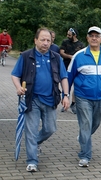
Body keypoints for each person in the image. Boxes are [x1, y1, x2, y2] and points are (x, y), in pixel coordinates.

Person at [11, 28, 69, 172]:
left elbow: (63, 77)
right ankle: (32, 161)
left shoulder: (56, 57)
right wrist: (18, 87)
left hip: (51, 99)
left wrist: (66, 95)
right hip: (32, 99)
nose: (46, 43)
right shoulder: (25, 56)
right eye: (42, 39)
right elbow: (15, 75)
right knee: (30, 130)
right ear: (35, 40)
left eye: (48, 40)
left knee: (50, 129)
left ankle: (34, 143)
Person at [67, 26, 101, 167]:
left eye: (97, 36)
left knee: (94, 124)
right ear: (87, 38)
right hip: (83, 96)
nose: (94, 38)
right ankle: (85, 156)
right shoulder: (79, 56)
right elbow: (69, 76)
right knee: (86, 124)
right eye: (91, 36)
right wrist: (65, 95)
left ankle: (83, 137)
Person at [60, 28, 85, 113]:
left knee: (76, 86)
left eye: (69, 35)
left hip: (77, 68)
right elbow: (61, 52)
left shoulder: (81, 45)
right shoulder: (65, 42)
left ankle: (73, 104)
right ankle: (64, 103)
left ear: (75, 35)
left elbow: (83, 56)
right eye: (67, 34)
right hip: (66, 67)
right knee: (66, 85)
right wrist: (70, 57)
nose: (68, 36)